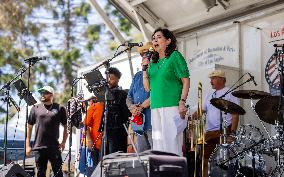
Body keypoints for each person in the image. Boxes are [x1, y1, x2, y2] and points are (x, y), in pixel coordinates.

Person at [142, 28, 190, 156]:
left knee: (172, 145)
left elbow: (186, 81)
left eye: (158, 37)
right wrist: (144, 70)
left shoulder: (175, 56)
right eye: (153, 38)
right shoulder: (153, 63)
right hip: (155, 107)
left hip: (171, 105)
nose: (155, 40)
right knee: (158, 146)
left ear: (168, 41)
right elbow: (148, 88)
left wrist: (182, 102)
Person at [194, 70, 240, 177]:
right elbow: (202, 111)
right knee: (205, 161)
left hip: (224, 131)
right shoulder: (210, 94)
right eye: (211, 79)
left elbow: (235, 115)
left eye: (213, 78)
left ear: (222, 80)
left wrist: (232, 134)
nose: (211, 81)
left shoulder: (230, 93)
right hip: (210, 132)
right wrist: (190, 116)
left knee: (224, 162)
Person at [26, 86, 68, 177]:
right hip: (39, 147)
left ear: (51, 95)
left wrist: (64, 142)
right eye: (41, 92)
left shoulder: (60, 108)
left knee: (58, 173)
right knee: (41, 174)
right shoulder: (35, 108)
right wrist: (27, 145)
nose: (42, 94)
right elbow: (29, 127)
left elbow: (66, 127)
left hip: (54, 147)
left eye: (45, 92)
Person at [126, 42, 153, 153]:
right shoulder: (137, 75)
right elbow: (128, 97)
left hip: (153, 121)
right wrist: (132, 107)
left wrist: (141, 106)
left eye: (147, 54)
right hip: (138, 124)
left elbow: (157, 95)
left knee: (157, 155)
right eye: (142, 55)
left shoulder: (156, 73)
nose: (144, 57)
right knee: (142, 156)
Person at [105, 67, 131, 154]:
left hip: (118, 132)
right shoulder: (104, 94)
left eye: (111, 78)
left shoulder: (122, 94)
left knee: (115, 156)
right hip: (107, 131)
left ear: (118, 79)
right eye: (107, 78)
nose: (108, 81)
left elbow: (126, 114)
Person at [78, 97, 104, 176]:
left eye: (89, 100)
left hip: (110, 145)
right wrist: (89, 141)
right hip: (96, 146)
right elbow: (85, 125)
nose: (88, 102)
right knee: (97, 169)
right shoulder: (94, 107)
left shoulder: (112, 106)